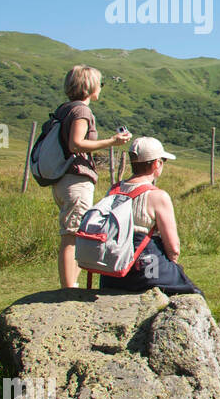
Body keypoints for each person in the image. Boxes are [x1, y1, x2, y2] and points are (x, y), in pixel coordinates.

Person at [51, 65, 132, 288]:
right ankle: (68, 290)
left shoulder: (65, 109)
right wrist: (112, 142)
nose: (101, 88)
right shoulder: (81, 111)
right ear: (90, 86)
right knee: (73, 234)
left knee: (73, 232)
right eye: (100, 83)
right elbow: (76, 144)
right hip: (75, 179)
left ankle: (71, 285)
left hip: (63, 179)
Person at [98, 137, 203, 295]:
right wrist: (172, 267)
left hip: (112, 271)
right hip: (145, 271)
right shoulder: (157, 196)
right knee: (193, 293)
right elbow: (174, 248)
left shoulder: (113, 191)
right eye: (162, 161)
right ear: (156, 164)